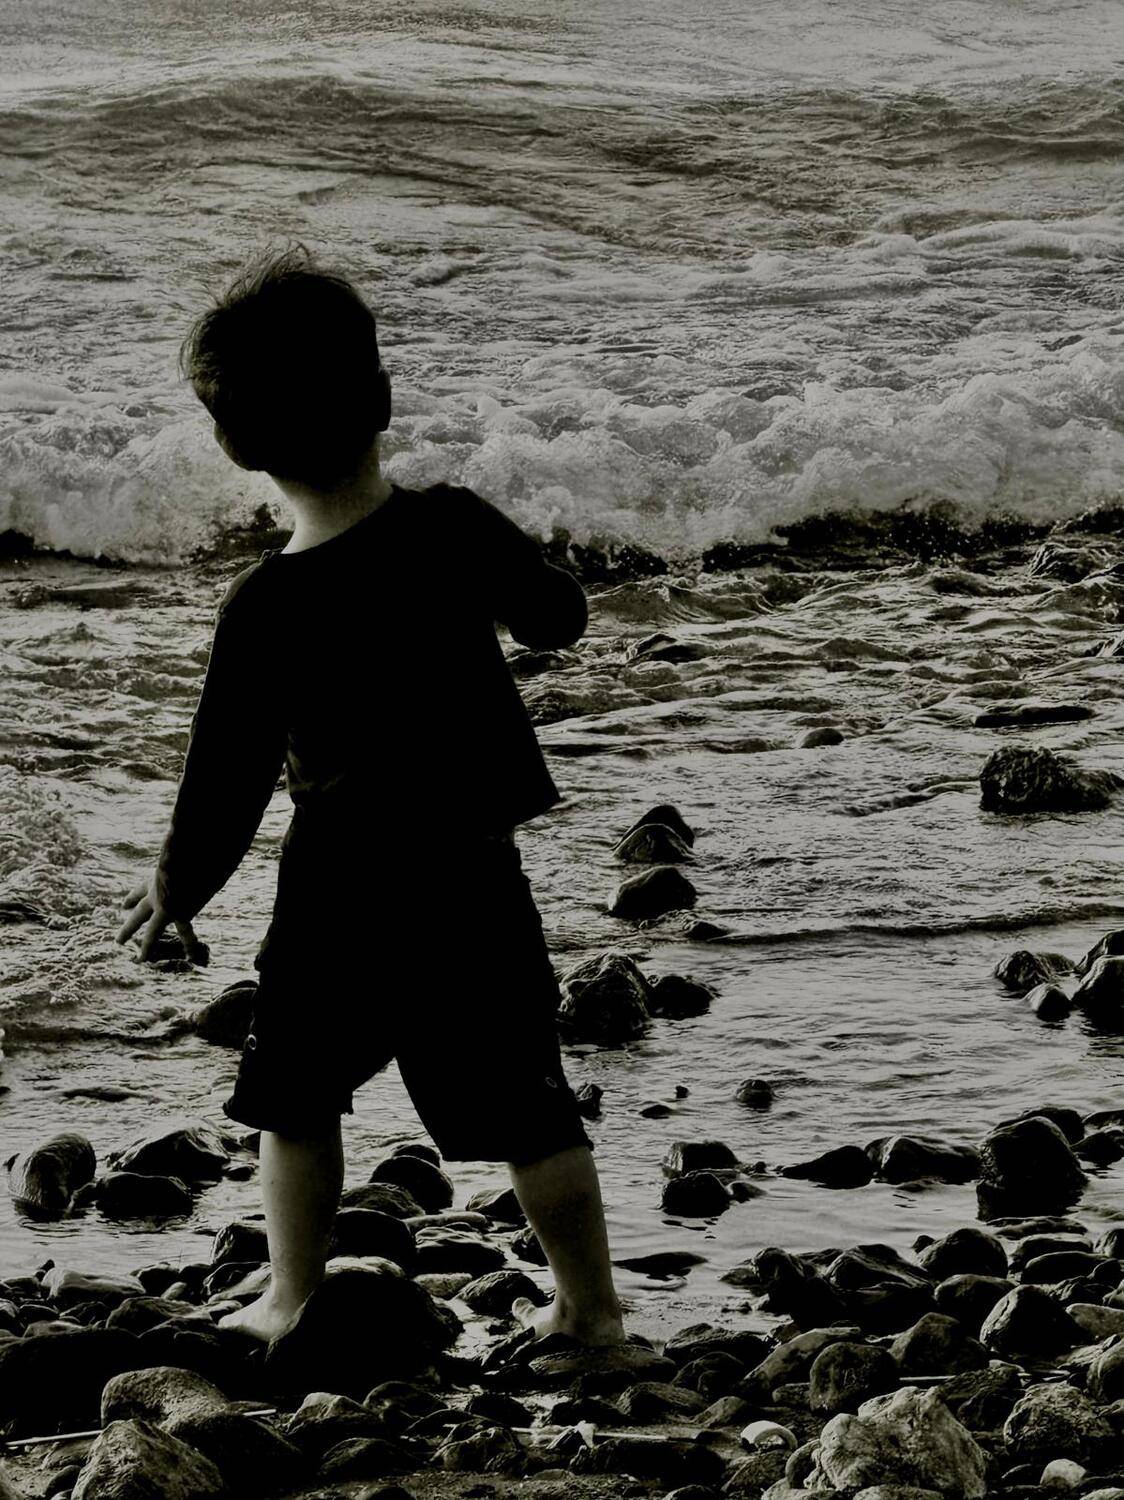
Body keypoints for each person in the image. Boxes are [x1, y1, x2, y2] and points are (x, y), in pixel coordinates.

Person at [116, 246, 624, 1349]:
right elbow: (557, 620)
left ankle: (290, 1295)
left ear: (236, 446)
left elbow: (228, 776)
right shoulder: (454, 525)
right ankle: (590, 1309)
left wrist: (177, 887)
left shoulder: (263, 605)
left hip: (337, 890)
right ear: (382, 399)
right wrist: (537, 576)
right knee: (529, 1106)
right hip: (471, 874)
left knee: (294, 1097)